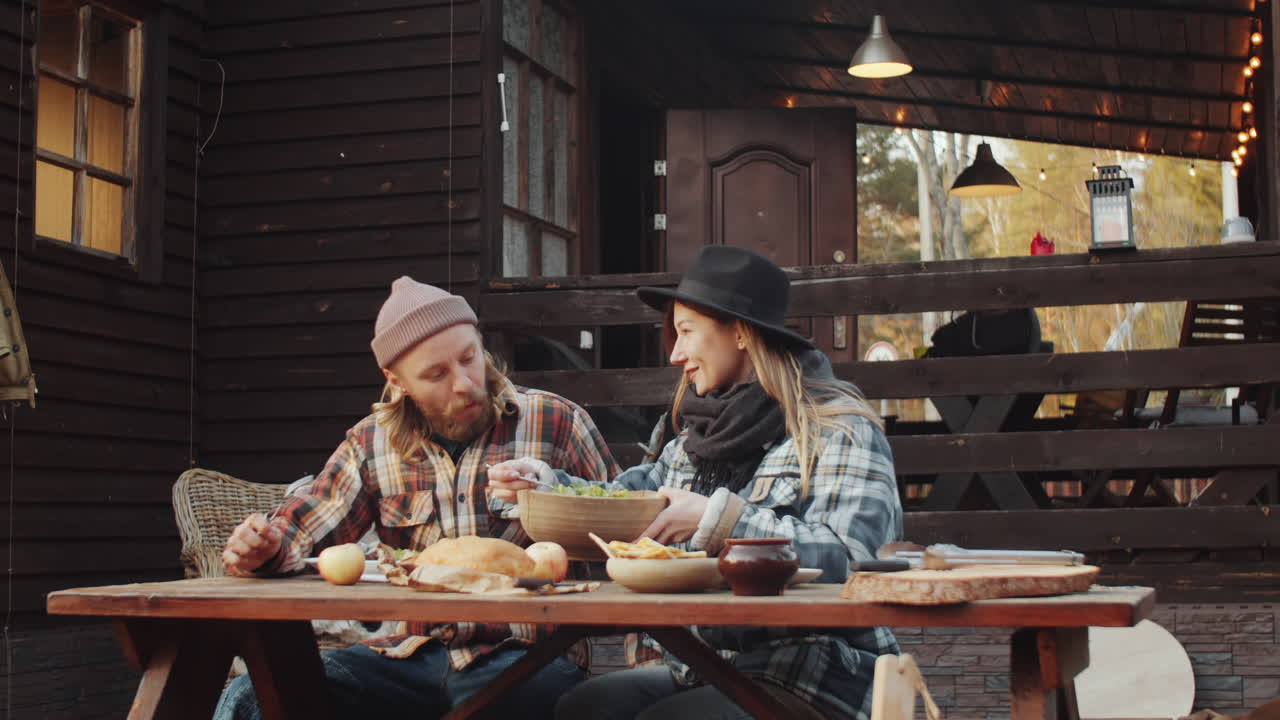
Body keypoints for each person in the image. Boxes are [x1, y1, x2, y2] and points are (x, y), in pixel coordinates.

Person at [491, 245, 904, 720]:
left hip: (816, 674)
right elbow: (626, 501)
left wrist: (719, 520)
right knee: (584, 708)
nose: (675, 354)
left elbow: (856, 564)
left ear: (741, 333)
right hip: (708, 666)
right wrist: (544, 487)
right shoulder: (693, 437)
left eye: (686, 332)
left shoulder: (839, 429)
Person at [215, 276, 620, 720]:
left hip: (528, 656)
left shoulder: (557, 423)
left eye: (469, 357)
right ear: (397, 381)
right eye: (436, 374)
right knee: (250, 697)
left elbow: (632, 537)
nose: (464, 383)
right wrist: (264, 548)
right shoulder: (371, 444)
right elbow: (305, 526)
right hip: (406, 656)